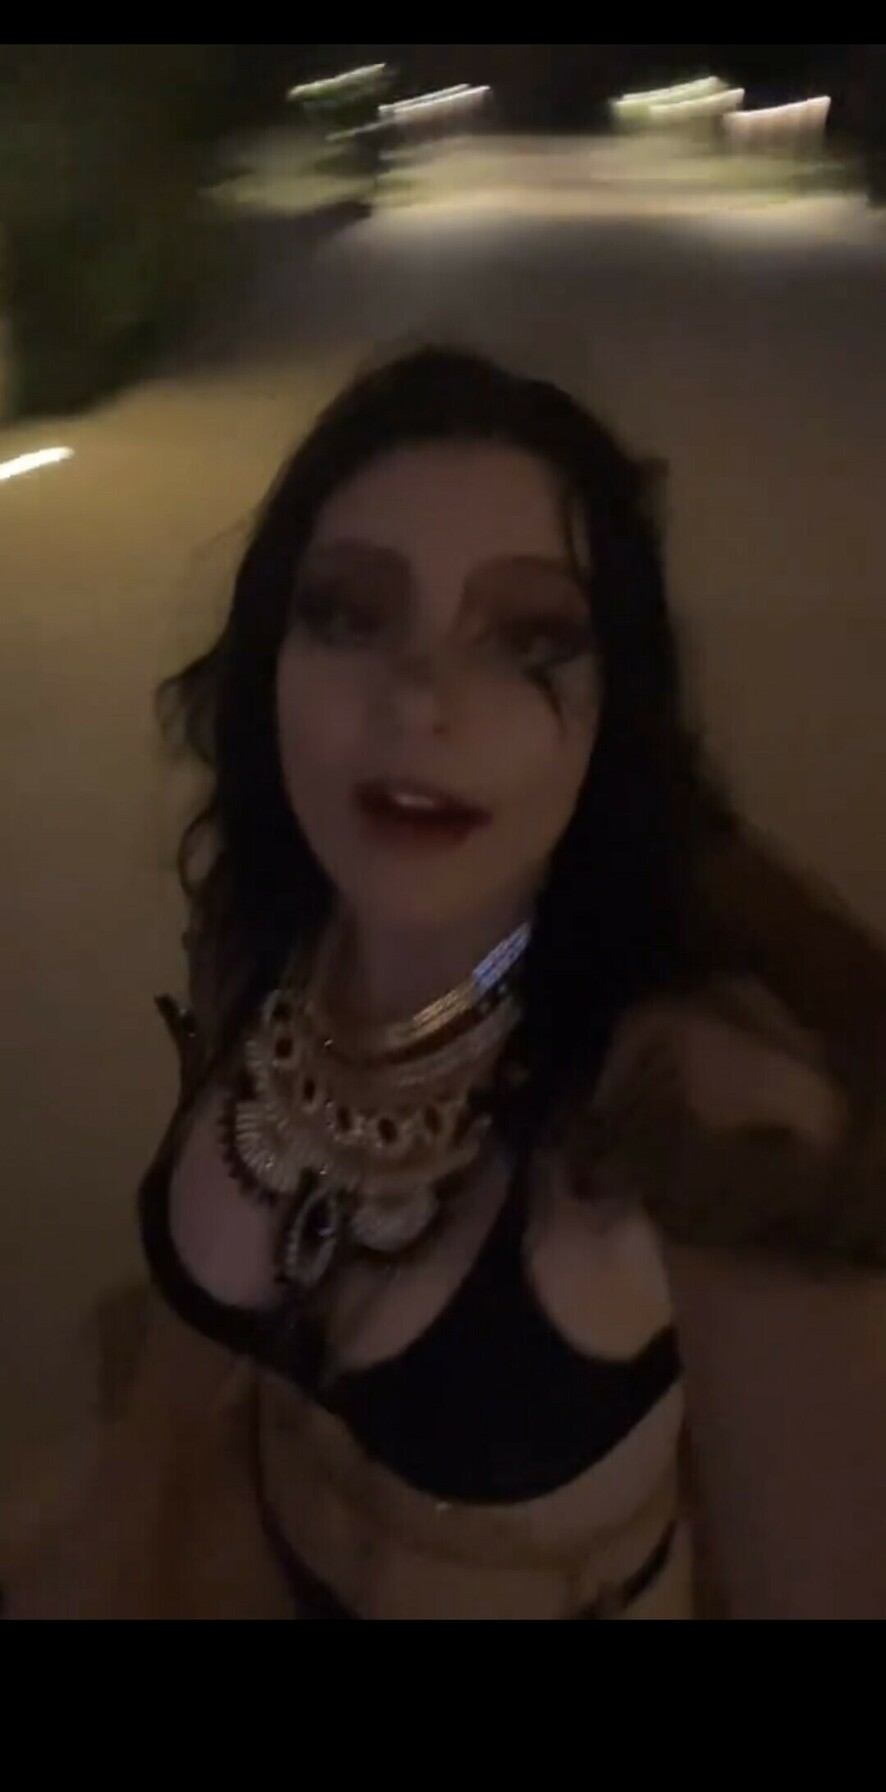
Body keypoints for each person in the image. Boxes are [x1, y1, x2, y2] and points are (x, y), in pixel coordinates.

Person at [8, 347, 886, 1620]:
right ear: (269, 659)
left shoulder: (709, 1112)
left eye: (528, 637)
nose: (419, 701)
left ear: (616, 705)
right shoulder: (270, 929)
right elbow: (173, 1399)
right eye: (349, 614)